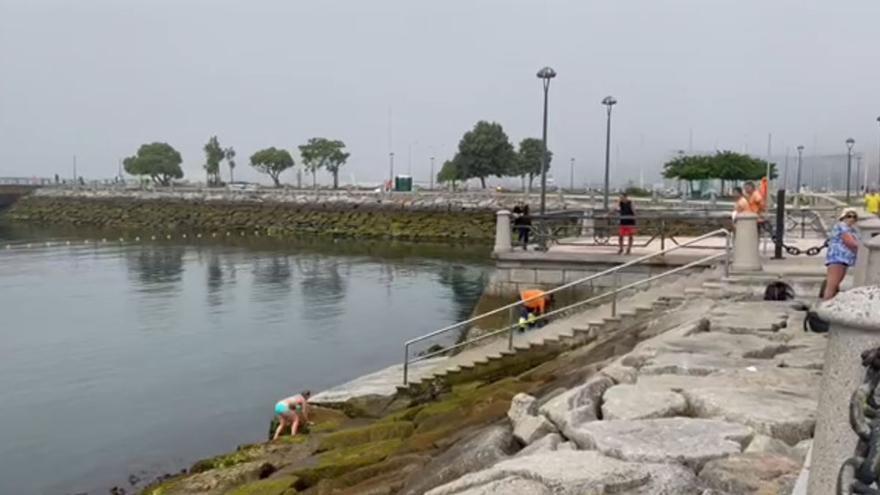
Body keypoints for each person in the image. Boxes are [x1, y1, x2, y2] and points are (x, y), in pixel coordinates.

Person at [823, 208, 861, 300]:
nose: (851, 218)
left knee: (835, 285)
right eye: (849, 216)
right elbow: (850, 242)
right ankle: (825, 304)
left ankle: (829, 304)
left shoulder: (849, 228)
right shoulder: (843, 227)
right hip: (838, 258)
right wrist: (864, 247)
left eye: (854, 217)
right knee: (832, 285)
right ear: (843, 217)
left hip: (843, 259)